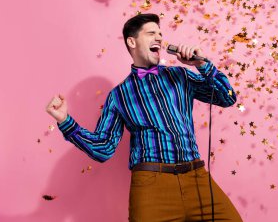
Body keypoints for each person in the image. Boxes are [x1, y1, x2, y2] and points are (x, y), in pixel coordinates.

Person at [46, 13, 242, 221]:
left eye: (160, 33)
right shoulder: (118, 95)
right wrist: (65, 121)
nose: (159, 37)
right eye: (151, 33)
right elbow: (103, 149)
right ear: (132, 41)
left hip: (197, 178)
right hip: (152, 185)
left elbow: (227, 98)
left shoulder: (181, 75)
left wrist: (202, 64)